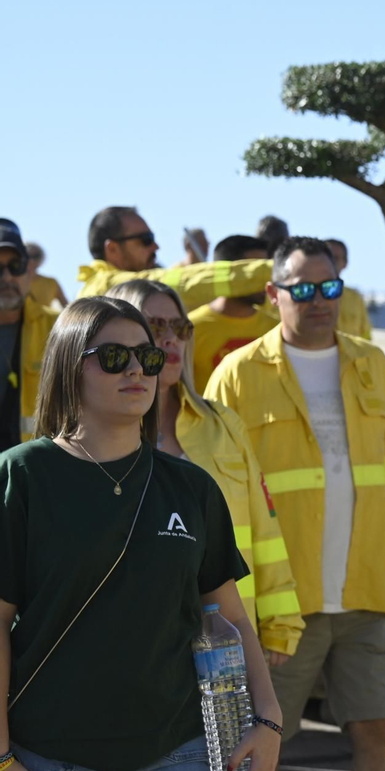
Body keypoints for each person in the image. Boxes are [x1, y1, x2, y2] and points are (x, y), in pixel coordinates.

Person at [0, 296, 282, 771]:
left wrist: (268, 718)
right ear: (66, 365)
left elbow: (229, 619)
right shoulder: (23, 477)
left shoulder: (191, 486)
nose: (136, 369)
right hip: (50, 760)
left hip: (174, 755)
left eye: (148, 358)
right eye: (113, 357)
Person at [206, 236, 385, 771]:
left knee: (378, 731)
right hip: (281, 600)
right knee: (266, 733)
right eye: (304, 289)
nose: (320, 300)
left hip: (367, 588)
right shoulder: (238, 373)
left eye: (330, 287)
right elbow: (221, 487)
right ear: (275, 294)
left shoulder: (370, 363)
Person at [106, 279, 304, 662]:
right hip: (136, 651)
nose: (170, 340)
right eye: (155, 326)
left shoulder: (224, 423)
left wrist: (279, 622)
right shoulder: (97, 437)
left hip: (226, 643)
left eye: (180, 328)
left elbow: (264, 528)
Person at [79, 206, 272, 311]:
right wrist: (277, 270)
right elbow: (186, 283)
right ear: (112, 248)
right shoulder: (103, 287)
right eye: (146, 240)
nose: (156, 247)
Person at [188, 234, 278, 392]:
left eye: (264, 271)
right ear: (229, 275)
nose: (263, 280)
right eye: (254, 273)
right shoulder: (190, 329)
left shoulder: (276, 329)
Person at [0, 220, 58, 451]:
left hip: (35, 472)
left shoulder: (59, 328)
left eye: (15, 266)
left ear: (29, 271)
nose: (6, 277)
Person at [326, 238, 374, 340]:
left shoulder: (355, 298)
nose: (332, 262)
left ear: (345, 263)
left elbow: (365, 336)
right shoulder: (308, 295)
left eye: (336, 258)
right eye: (328, 257)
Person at [23, 242, 66, 308]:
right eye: (27, 256)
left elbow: (66, 306)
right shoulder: (14, 281)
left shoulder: (51, 283)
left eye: (36, 256)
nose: (31, 260)